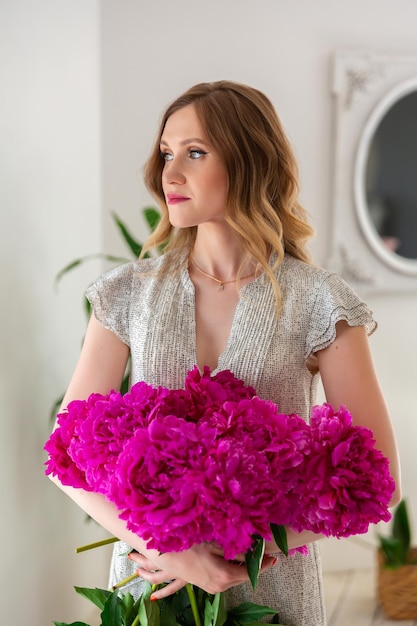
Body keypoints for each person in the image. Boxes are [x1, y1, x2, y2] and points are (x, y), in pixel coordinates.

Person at [49, 80, 401, 626]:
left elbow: (381, 480)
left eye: (194, 152)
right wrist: (172, 551)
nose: (170, 174)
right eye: (167, 153)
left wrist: (255, 553)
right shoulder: (127, 293)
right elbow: (64, 457)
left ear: (248, 160)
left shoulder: (319, 301)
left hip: (272, 590)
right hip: (151, 585)